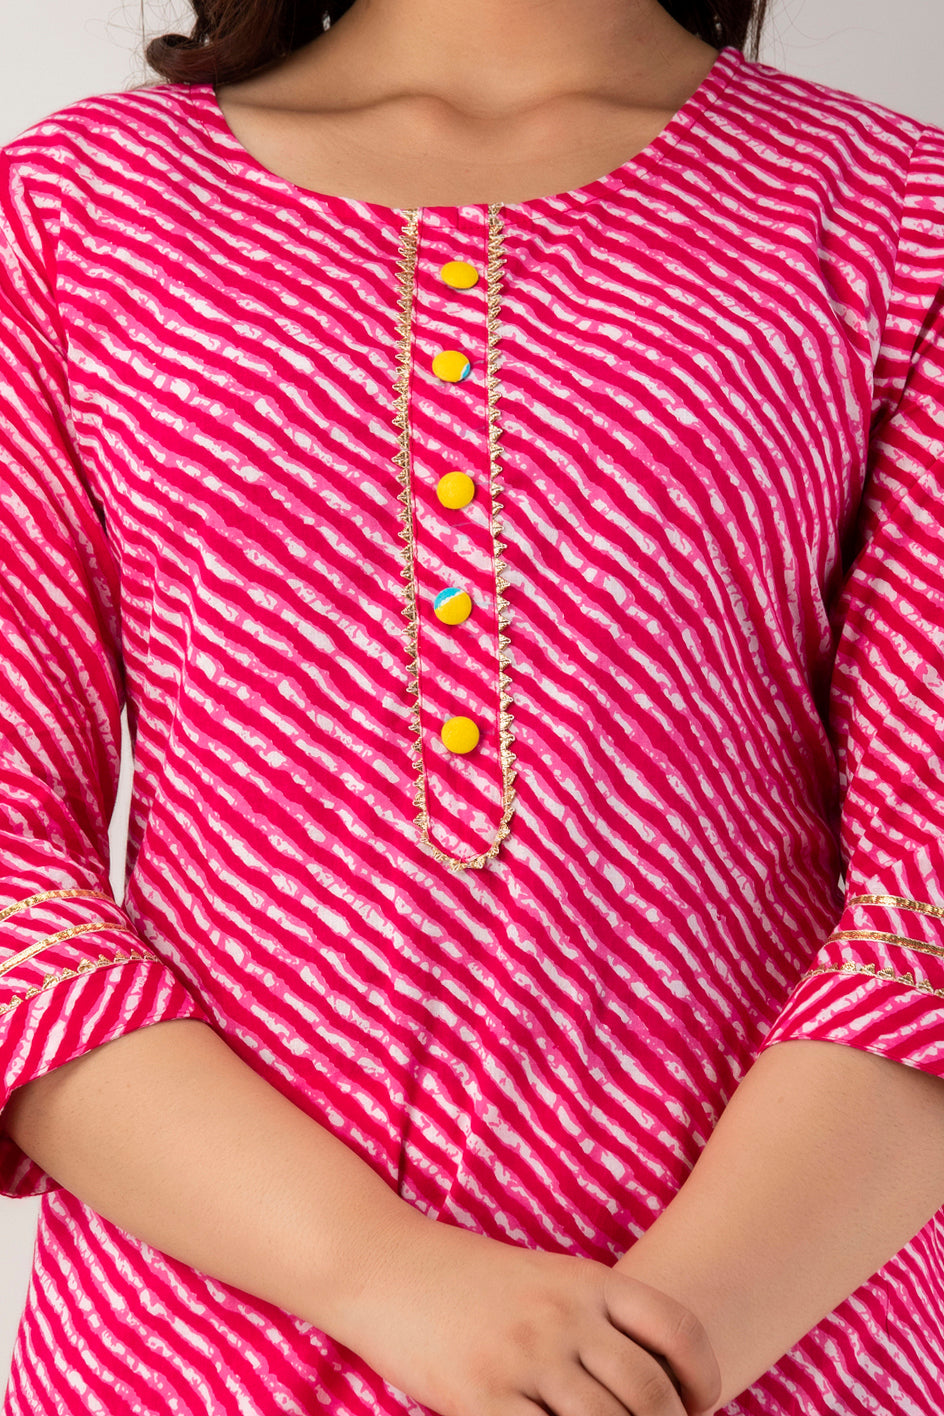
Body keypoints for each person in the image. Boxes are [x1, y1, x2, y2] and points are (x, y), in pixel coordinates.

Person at [1, 0, 944, 1411]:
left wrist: (659, 1353)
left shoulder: (893, 211)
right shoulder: (77, 209)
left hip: (786, 1335)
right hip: (197, 1344)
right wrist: (384, 1276)